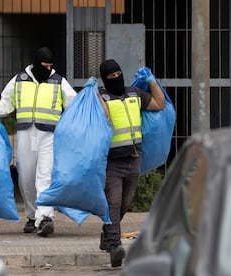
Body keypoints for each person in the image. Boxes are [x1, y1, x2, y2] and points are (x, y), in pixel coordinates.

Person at [0, 46, 77, 237]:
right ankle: (32, 216)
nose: (48, 69)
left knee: (44, 176)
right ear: (36, 63)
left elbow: (74, 104)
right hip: (25, 134)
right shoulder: (19, 80)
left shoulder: (59, 82)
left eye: (51, 66)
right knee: (26, 177)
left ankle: (46, 217)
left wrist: (88, 99)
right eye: (44, 65)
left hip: (49, 135)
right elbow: (6, 103)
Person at [98, 59, 166, 267]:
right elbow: (103, 117)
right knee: (114, 203)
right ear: (104, 80)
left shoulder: (134, 94)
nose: (116, 78)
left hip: (134, 158)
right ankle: (114, 245)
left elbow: (159, 104)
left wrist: (151, 81)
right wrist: (95, 94)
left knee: (125, 203)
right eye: (111, 77)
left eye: (118, 74)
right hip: (113, 161)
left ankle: (107, 236)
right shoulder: (101, 96)